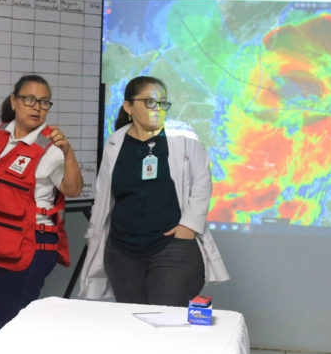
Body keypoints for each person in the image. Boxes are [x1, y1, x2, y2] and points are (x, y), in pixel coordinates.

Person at [78, 75, 229, 306]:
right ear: (128, 106)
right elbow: (103, 195)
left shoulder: (184, 136)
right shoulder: (115, 142)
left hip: (172, 248)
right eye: (149, 102)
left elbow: (202, 183)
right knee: (133, 320)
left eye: (162, 103)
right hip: (122, 251)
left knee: (165, 319)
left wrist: (188, 226)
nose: (157, 108)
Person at [0, 74, 83, 330]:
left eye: (44, 102)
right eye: (29, 99)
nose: (37, 107)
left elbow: (73, 189)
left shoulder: (52, 145)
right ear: (14, 101)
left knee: (14, 322)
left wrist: (68, 154)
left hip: (29, 246)